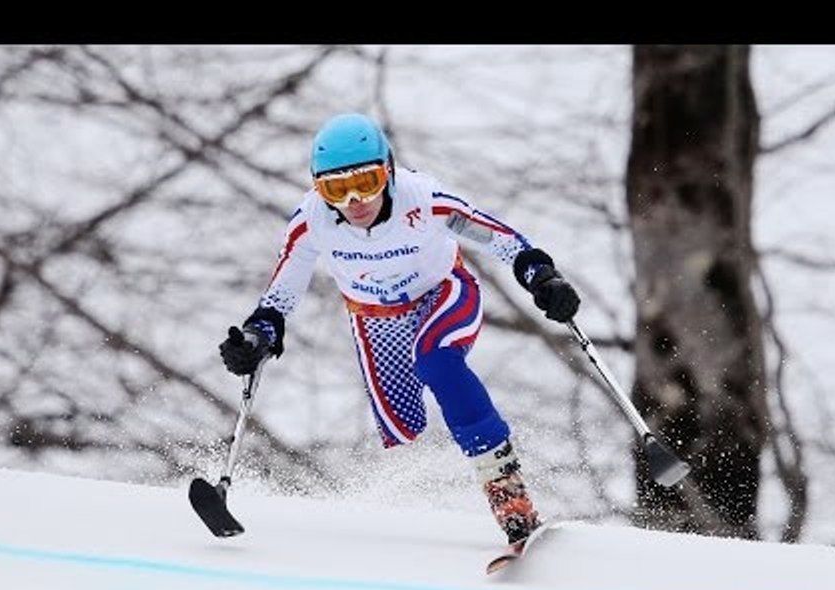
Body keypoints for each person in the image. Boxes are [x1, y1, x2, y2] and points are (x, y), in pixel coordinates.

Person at [219, 113, 580, 547]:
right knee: (403, 427)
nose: (354, 200)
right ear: (319, 189)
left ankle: (509, 495)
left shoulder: (424, 199)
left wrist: (541, 277)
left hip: (443, 292)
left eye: (366, 181)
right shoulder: (311, 221)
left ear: (387, 170)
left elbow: (500, 239)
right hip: (375, 317)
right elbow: (280, 295)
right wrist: (258, 337)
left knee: (438, 363)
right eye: (335, 188)